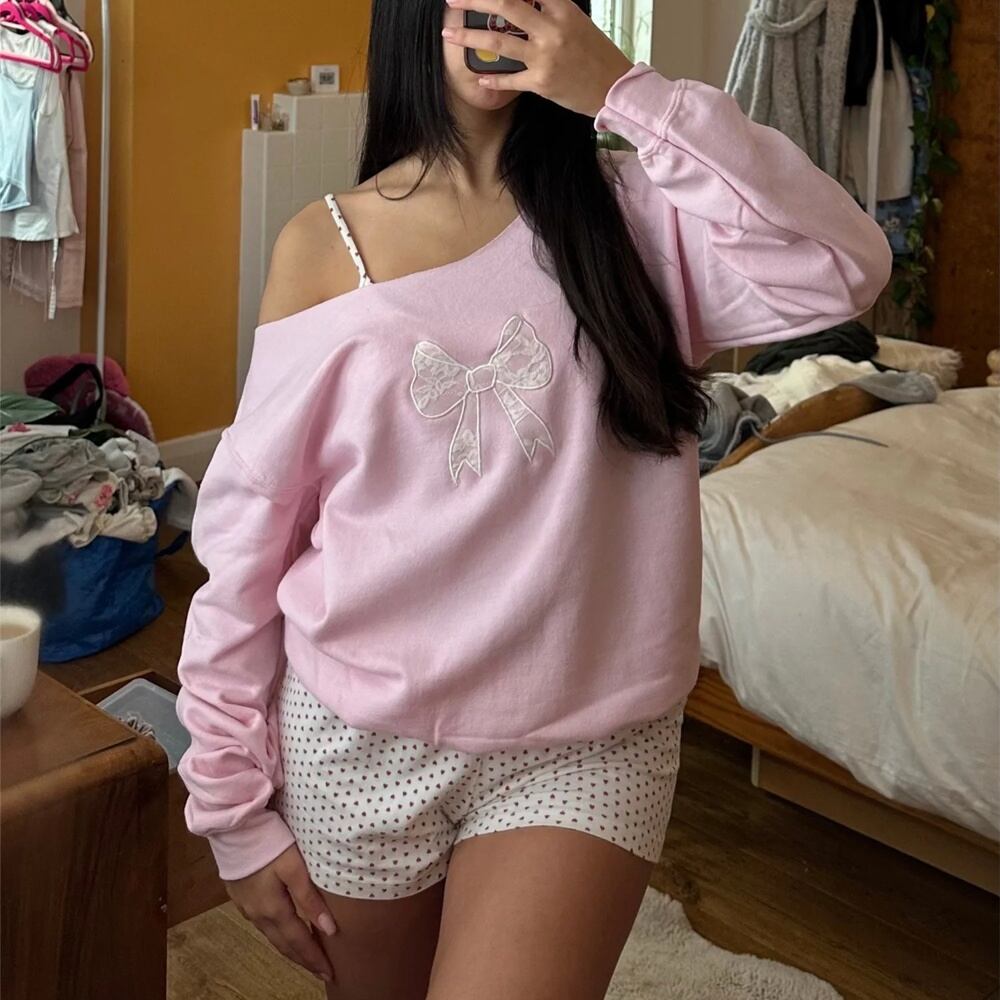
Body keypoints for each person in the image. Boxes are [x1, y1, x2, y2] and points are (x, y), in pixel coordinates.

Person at [175, 0, 892, 996]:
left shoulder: (639, 215)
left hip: (588, 742)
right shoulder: (323, 246)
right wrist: (229, 802)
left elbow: (844, 266)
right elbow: (249, 538)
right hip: (357, 736)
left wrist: (625, 92)